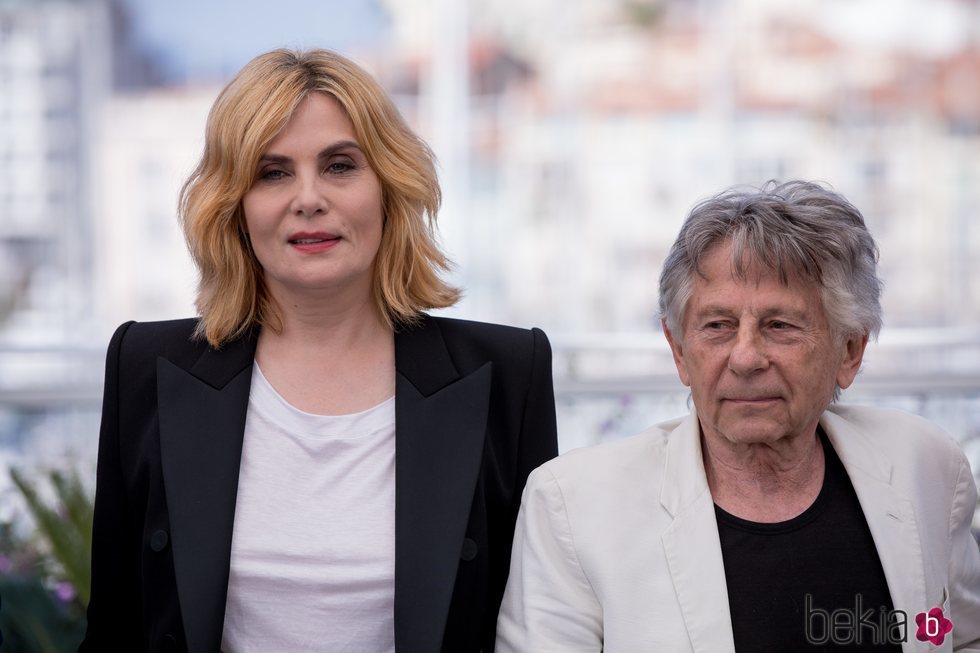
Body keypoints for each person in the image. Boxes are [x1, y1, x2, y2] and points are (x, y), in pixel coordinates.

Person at [80, 48, 557, 653]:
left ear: (388, 185)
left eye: (339, 166)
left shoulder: (507, 375)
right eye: (272, 172)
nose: (308, 198)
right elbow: (114, 630)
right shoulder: (144, 365)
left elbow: (540, 629)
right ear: (235, 205)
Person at [496, 180, 980, 651]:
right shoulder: (574, 507)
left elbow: (964, 637)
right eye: (718, 326)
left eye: (780, 325)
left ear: (849, 351)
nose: (745, 357)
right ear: (679, 351)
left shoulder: (925, 465)